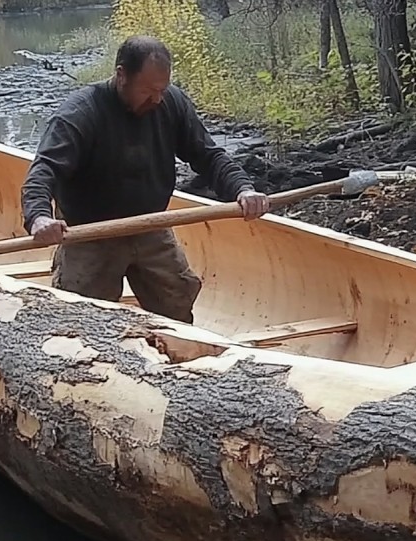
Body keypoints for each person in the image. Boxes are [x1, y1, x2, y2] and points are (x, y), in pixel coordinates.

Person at [20, 35, 269, 324]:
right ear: (121, 75)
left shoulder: (170, 102)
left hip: (150, 225)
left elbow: (208, 155)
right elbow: (44, 170)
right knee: (83, 320)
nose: (157, 99)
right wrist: (39, 216)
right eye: (148, 90)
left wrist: (242, 189)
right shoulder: (80, 114)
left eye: (162, 89)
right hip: (91, 233)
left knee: (178, 302)